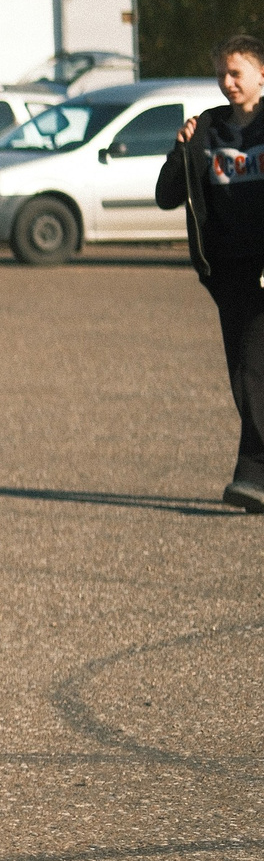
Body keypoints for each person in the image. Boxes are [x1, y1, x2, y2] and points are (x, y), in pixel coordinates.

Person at [158, 36, 264, 513]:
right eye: (222, 73)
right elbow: (166, 195)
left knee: (253, 372)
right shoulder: (205, 129)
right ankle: (253, 476)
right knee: (242, 373)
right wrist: (180, 151)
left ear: (261, 75)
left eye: (237, 73)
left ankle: (252, 476)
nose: (227, 82)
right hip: (227, 271)